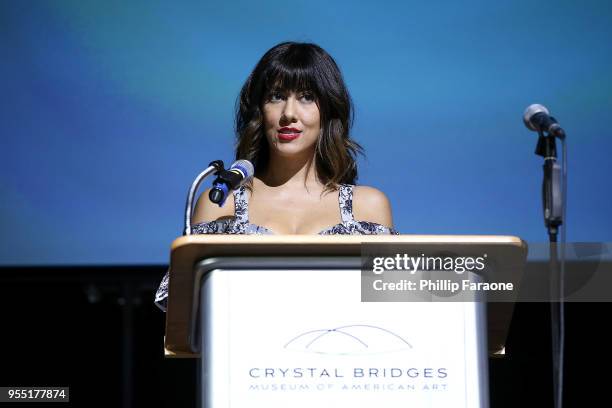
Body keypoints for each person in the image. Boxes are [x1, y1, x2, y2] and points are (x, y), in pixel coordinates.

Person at [155, 42, 398, 311]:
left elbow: (392, 311)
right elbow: (186, 315)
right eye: (276, 96)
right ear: (259, 110)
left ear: (328, 110)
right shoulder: (220, 203)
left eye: (306, 96)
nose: (289, 114)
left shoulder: (367, 207)